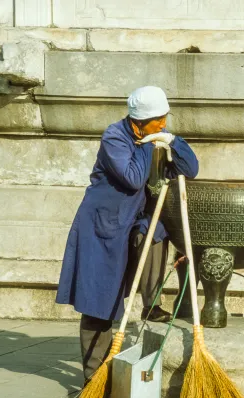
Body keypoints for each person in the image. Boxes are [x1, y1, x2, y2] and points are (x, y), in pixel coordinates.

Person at [55, 86, 199, 382]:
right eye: (158, 120)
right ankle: (94, 377)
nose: (163, 124)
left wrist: (172, 141)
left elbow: (191, 169)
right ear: (139, 121)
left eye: (164, 118)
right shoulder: (115, 137)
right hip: (103, 226)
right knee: (100, 301)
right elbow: (133, 179)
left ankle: (152, 302)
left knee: (156, 235)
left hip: (135, 223)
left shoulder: (158, 137)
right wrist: (150, 145)